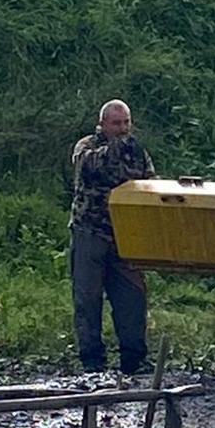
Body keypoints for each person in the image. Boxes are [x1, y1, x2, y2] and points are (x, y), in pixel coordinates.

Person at [69, 99, 155, 375]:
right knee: (87, 298)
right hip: (90, 232)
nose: (122, 129)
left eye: (126, 122)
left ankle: (134, 358)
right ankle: (92, 360)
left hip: (125, 236)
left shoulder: (138, 152)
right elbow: (88, 168)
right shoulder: (87, 146)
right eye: (116, 123)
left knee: (132, 298)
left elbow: (150, 183)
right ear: (103, 124)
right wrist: (116, 147)